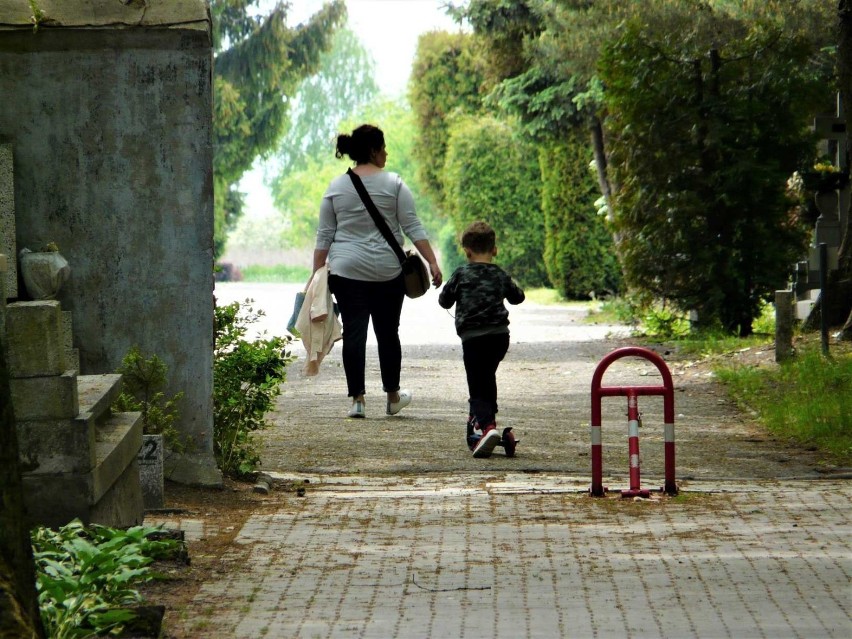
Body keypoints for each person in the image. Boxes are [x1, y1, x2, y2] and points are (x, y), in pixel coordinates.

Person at [312, 124, 442, 419]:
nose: (386, 153)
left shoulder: (335, 187)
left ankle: (357, 400)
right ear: (373, 151)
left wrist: (316, 273)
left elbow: (324, 236)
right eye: (383, 148)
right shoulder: (395, 184)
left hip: (347, 272)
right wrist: (432, 262)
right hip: (388, 272)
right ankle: (393, 396)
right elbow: (413, 227)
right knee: (388, 333)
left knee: (355, 335)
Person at [438, 221, 525, 458]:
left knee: (478, 385)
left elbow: (444, 300)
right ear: (494, 249)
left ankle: (488, 427)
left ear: (466, 251)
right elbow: (518, 297)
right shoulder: (500, 274)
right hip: (499, 338)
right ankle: (486, 418)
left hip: (473, 339)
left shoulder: (461, 273)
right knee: (486, 377)